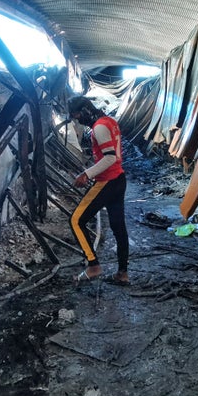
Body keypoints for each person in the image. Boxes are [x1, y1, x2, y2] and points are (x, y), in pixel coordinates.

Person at [67, 95, 130, 286]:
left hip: (107, 181)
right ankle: (122, 273)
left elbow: (110, 157)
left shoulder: (99, 127)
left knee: (76, 221)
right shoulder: (110, 121)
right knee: (118, 227)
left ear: (85, 110)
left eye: (78, 116)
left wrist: (87, 174)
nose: (78, 120)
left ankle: (93, 265)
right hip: (119, 179)